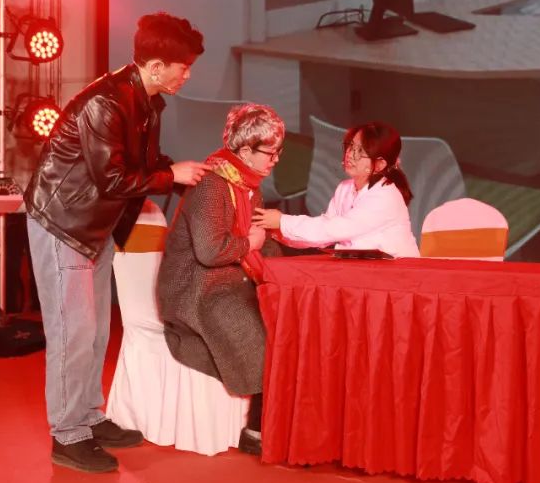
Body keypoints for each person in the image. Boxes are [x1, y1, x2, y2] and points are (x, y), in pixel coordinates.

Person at [24, 12, 211, 474]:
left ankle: (89, 416)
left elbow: (142, 163)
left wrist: (182, 172)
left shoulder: (147, 101)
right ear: (156, 66)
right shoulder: (106, 102)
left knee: (96, 332)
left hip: (95, 225)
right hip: (63, 223)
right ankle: (68, 435)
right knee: (73, 332)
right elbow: (111, 178)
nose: (187, 75)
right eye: (184, 67)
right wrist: (171, 176)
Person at [156, 103, 285, 457]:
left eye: (278, 151)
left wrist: (282, 272)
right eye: (270, 152)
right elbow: (210, 251)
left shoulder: (249, 185)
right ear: (245, 150)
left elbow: (260, 238)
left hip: (227, 279)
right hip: (196, 287)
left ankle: (271, 419)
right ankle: (257, 430)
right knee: (256, 327)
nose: (276, 159)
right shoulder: (212, 184)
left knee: (282, 313)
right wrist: (251, 244)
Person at [254, 121, 419, 258]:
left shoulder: (385, 196)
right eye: (351, 146)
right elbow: (322, 235)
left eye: (360, 152)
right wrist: (276, 230)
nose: (350, 155)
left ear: (380, 165)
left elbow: (333, 230)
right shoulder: (345, 188)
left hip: (399, 275)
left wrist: (283, 222)